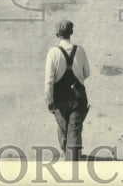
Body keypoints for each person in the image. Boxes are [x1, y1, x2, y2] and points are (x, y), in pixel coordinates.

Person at [45, 19, 90, 162]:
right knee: (74, 129)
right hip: (78, 96)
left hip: (59, 97)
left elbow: (49, 80)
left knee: (63, 127)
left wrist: (49, 100)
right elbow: (87, 73)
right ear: (71, 32)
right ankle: (73, 159)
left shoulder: (53, 53)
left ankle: (67, 156)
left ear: (57, 34)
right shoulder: (80, 50)